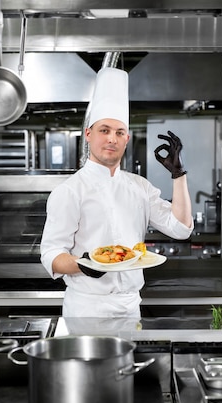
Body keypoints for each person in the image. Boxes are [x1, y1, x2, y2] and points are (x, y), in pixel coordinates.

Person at [40, 67, 193, 318]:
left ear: (127, 139)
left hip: (131, 306)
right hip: (86, 308)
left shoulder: (139, 186)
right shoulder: (69, 191)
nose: (112, 138)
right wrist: (84, 265)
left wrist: (179, 175)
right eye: (104, 130)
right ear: (88, 134)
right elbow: (51, 255)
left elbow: (181, 228)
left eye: (119, 133)